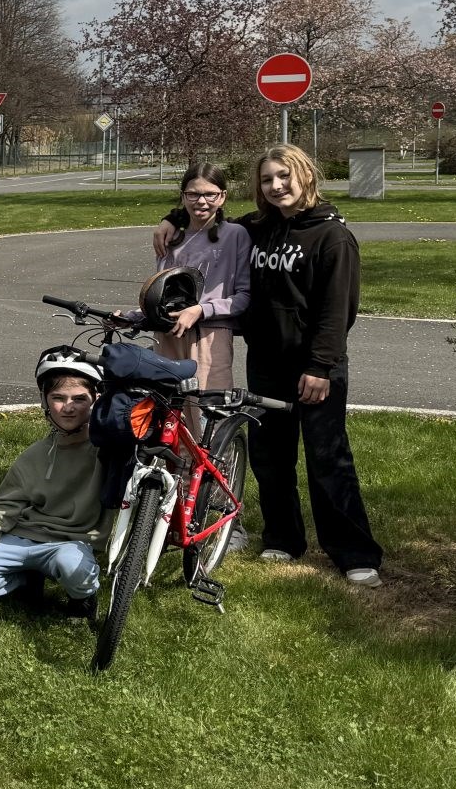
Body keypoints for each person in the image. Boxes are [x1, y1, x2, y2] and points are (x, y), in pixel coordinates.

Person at [155, 144, 382, 586]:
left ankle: (355, 552)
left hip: (315, 367)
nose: (276, 186)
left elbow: (338, 310)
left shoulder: (332, 236)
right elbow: (207, 214)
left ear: (305, 176)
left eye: (284, 177)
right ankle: (282, 537)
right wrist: (174, 218)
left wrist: (320, 366)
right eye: (266, 179)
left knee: (326, 458)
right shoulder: (257, 228)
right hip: (267, 362)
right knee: (271, 457)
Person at [0, 347, 104, 619]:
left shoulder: (108, 451)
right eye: (58, 398)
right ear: (44, 401)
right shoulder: (34, 456)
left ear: (95, 400)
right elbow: (3, 511)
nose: (69, 407)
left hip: (70, 543)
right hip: (22, 538)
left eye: (80, 398)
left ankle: (83, 599)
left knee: (72, 564)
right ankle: (26, 579)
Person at [147, 163, 250, 392]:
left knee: (207, 414)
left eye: (210, 194)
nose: (201, 202)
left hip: (210, 337)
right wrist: (132, 316)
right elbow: (162, 296)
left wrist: (201, 310)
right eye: (193, 194)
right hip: (169, 336)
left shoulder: (235, 235)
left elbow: (244, 296)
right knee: (168, 416)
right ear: (183, 196)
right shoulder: (171, 238)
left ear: (222, 197)